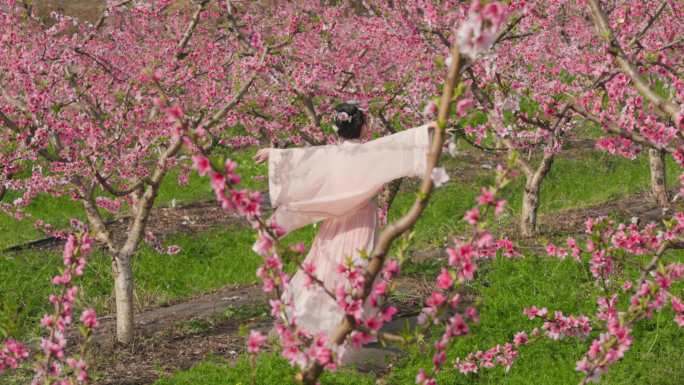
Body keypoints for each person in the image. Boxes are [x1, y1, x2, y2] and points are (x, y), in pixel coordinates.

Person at [254, 103, 434, 358]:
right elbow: (402, 144)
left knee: (327, 264)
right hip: (361, 221)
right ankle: (350, 327)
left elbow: (300, 159)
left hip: (335, 222)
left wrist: (272, 153)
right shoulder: (370, 152)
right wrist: (430, 130)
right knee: (357, 267)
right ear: (362, 126)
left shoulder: (329, 154)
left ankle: (315, 321)